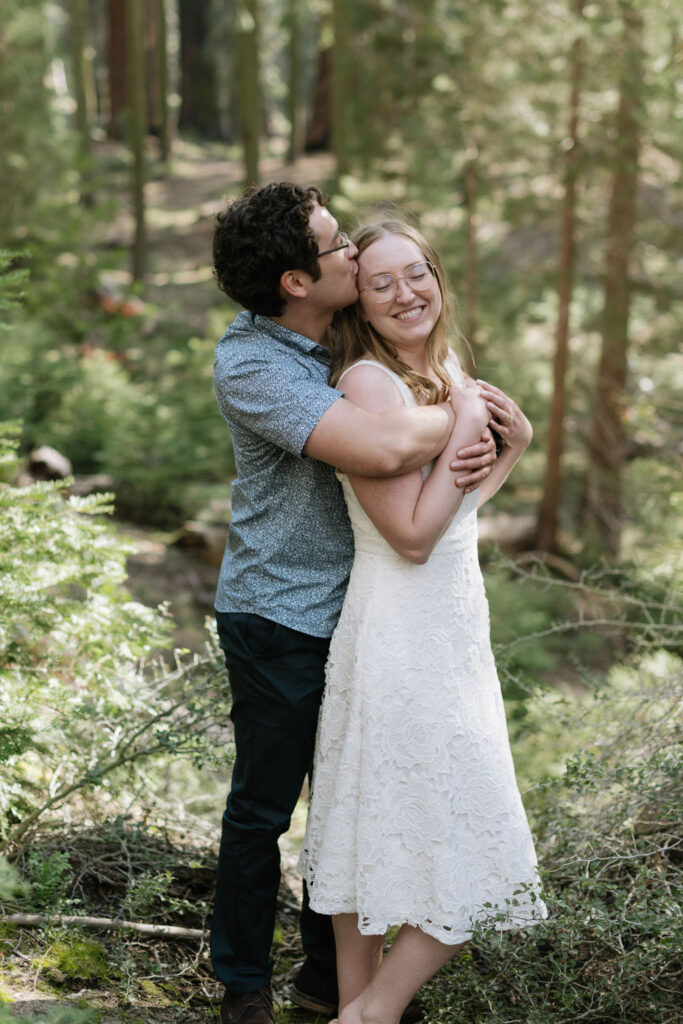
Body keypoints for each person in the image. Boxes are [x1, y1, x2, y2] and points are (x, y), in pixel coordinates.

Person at [210, 184, 499, 1024]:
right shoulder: (253, 364)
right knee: (265, 805)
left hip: (368, 608)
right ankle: (242, 985)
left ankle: (331, 985)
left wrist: (453, 411)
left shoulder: (347, 332)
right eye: (335, 248)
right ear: (297, 281)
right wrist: (460, 407)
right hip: (280, 609)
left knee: (349, 793)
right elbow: (375, 444)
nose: (351, 256)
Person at [298, 219, 548, 1024]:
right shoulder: (371, 386)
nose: (405, 292)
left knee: (379, 826)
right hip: (402, 634)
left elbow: (447, 517)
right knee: (472, 848)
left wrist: (508, 452)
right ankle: (369, 1014)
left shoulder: (441, 373)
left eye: (417, 274)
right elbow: (408, 536)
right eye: (381, 283)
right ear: (361, 306)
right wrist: (471, 426)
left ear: (437, 278)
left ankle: (357, 1012)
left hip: (444, 626)